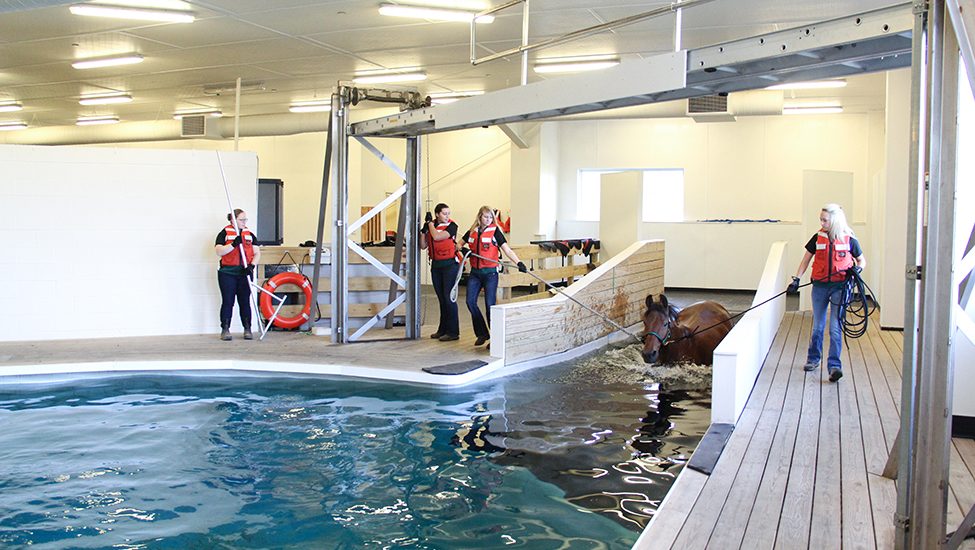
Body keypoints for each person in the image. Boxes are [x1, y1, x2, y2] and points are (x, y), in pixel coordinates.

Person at [789, 203, 865, 382]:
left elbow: (862, 261)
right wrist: (796, 279)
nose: (822, 223)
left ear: (835, 220)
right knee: (818, 326)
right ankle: (813, 359)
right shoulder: (817, 238)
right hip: (820, 288)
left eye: (825, 220)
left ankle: (834, 366)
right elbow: (806, 260)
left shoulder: (849, 239)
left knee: (835, 328)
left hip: (840, 288)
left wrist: (857, 271)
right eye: (821, 220)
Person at [460, 206, 527, 348]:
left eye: (490, 217)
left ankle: (495, 338)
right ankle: (482, 333)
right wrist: (463, 250)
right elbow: (457, 245)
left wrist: (519, 262)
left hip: (490, 273)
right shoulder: (472, 232)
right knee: (470, 302)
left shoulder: (495, 231)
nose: (488, 219)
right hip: (475, 274)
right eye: (485, 217)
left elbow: (507, 249)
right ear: (479, 217)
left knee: (490, 306)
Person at [215, 209, 261, 341]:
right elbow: (219, 251)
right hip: (227, 273)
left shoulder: (250, 235)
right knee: (228, 301)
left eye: (245, 220)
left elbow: (257, 253)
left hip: (244, 273)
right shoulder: (223, 234)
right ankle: (225, 329)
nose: (244, 222)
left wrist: (252, 266)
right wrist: (233, 244)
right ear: (233, 220)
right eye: (241, 220)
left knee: (245, 302)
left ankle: (247, 329)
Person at [419, 203, 461, 342]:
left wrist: (429, 224)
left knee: (449, 298)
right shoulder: (431, 228)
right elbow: (423, 245)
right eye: (444, 213)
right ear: (437, 214)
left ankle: (453, 332)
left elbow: (437, 237)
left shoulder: (452, 226)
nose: (447, 216)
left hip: (450, 265)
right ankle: (442, 329)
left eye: (449, 213)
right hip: (436, 266)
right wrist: (423, 231)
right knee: (442, 299)